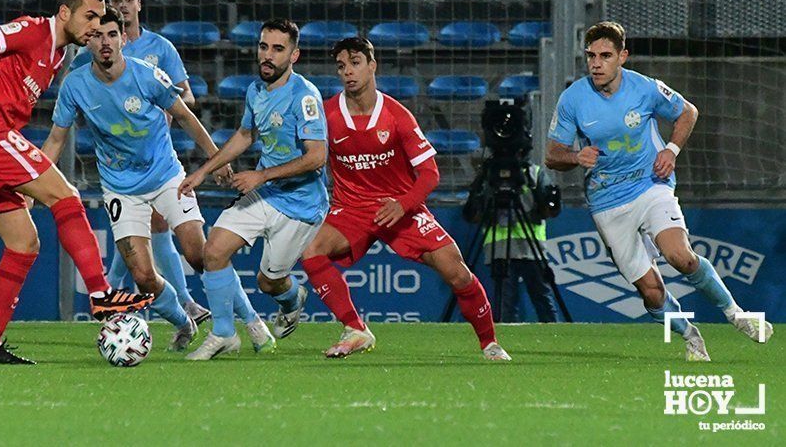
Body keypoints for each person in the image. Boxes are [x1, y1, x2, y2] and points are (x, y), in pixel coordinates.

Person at [0, 0, 153, 365]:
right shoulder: (35, 30)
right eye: (89, 15)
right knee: (66, 195)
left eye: (100, 17)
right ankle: (101, 295)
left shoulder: (59, 55)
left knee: (23, 242)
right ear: (64, 12)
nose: (96, 25)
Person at [545, 21, 773, 361]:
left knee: (679, 255)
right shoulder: (573, 99)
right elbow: (552, 155)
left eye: (605, 56)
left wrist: (671, 150)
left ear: (623, 56)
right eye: (590, 56)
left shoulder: (645, 88)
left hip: (650, 185)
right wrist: (576, 157)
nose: (596, 63)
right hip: (607, 201)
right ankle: (689, 334)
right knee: (651, 291)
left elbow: (687, 112)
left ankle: (736, 314)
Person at [300, 37, 510, 360]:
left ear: (372, 65)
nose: (348, 72)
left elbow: (430, 174)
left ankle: (490, 343)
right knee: (312, 252)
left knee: (456, 272)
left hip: (401, 207)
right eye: (341, 66)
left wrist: (403, 204)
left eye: (355, 63)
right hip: (353, 208)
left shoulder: (397, 116)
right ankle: (356, 329)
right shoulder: (327, 115)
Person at [42, 8, 230, 351]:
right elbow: (56, 139)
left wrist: (216, 159)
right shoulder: (75, 85)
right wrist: (33, 181)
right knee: (143, 277)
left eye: (112, 35)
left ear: (123, 39)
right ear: (88, 41)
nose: (105, 42)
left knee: (198, 253)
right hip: (121, 188)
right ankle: (183, 320)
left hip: (166, 176)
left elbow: (185, 117)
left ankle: (243, 323)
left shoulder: (146, 76)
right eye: (97, 35)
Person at [178, 18, 328, 360]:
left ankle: (292, 298)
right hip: (265, 193)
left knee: (268, 282)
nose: (268, 56)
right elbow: (246, 136)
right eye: (264, 47)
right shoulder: (256, 91)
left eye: (278, 49)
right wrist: (203, 171)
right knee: (213, 251)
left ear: (294, 55)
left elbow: (317, 157)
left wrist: (261, 176)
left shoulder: (305, 97)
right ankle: (224, 333)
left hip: (301, 204)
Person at [70, 0, 210, 325]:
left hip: (157, 156)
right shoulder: (95, 50)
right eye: (114, 0)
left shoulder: (159, 48)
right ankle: (141, 297)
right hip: (121, 167)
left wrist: (160, 110)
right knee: (144, 236)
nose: (121, 5)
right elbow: (76, 94)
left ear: (138, 4)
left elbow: (185, 98)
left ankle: (113, 292)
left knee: (155, 229)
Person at [484, 161, 560, 323]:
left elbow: (549, 210)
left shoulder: (534, 173)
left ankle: (556, 337)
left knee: (542, 299)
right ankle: (507, 342)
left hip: (530, 248)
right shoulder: (490, 171)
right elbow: (475, 211)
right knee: (507, 304)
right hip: (501, 248)